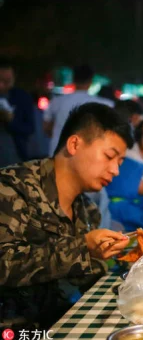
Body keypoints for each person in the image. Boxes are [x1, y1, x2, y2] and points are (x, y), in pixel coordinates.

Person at [0, 103, 134, 330]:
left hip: (61, 323)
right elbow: (4, 264)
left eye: (120, 162)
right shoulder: (13, 187)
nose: (115, 170)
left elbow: (78, 279)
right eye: (110, 157)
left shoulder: (87, 209)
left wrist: (114, 258)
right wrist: (82, 248)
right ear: (74, 144)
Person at [44, 64, 113, 155]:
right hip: (88, 158)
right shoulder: (105, 104)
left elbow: (46, 127)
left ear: (73, 79)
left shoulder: (57, 101)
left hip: (58, 155)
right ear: (91, 80)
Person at [0, 59, 35, 163]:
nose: (1, 85)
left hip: (14, 157)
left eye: (6, 81)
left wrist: (11, 121)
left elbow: (29, 128)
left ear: (14, 79)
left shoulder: (22, 97)